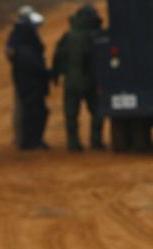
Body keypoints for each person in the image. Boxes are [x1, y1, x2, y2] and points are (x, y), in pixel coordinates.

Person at [52, 4, 105, 151]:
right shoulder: (95, 35)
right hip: (91, 81)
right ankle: (96, 141)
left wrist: (55, 76)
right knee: (97, 111)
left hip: (71, 82)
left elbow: (58, 57)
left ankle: (73, 143)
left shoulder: (68, 36)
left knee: (71, 114)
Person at [6, 5, 52, 150]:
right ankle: (29, 142)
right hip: (29, 84)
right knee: (31, 112)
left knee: (30, 111)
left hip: (28, 83)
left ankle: (30, 140)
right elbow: (33, 65)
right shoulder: (24, 43)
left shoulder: (18, 38)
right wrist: (47, 73)